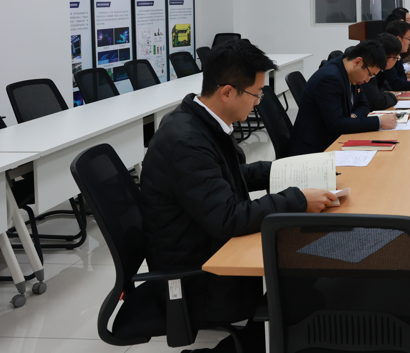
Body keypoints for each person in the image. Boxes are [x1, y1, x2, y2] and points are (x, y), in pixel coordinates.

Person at [141, 40, 337, 353]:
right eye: (256, 93)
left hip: (207, 246)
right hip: (201, 276)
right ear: (227, 92)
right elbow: (228, 217)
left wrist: (291, 170)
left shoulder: (200, 122)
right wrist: (298, 199)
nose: (258, 102)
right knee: (305, 290)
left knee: (306, 277)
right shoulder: (186, 142)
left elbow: (228, 175)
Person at [289, 40, 398, 156]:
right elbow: (337, 125)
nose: (367, 80)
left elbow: (364, 104)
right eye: (370, 74)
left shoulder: (350, 73)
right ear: (358, 62)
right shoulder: (330, 79)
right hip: (315, 149)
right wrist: (379, 122)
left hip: (334, 138)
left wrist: (353, 117)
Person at [364, 33, 402, 111]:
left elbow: (386, 88)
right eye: (397, 58)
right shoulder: (369, 69)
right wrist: (392, 97)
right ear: (389, 59)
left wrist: (382, 94)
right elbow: (376, 102)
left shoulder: (379, 70)